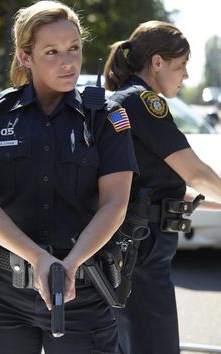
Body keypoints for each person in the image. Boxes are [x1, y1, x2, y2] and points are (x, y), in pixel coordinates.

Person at [0, 1, 138, 353]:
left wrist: (69, 264)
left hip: (81, 292)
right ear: (26, 57)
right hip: (3, 294)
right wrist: (39, 259)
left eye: (74, 48)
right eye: (51, 52)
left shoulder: (106, 116)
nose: (67, 61)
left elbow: (116, 202)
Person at [103, 20, 221, 354]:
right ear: (157, 62)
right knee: (155, 344)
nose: (185, 76)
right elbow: (194, 171)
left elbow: (156, 183)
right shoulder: (143, 101)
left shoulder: (125, 97)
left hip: (133, 242)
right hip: (143, 243)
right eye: (181, 66)